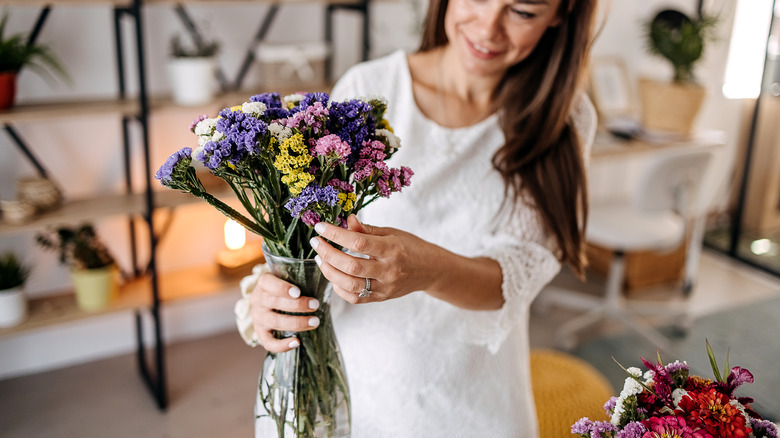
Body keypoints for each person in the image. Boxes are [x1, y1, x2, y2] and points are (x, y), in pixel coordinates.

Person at [241, 0, 598, 435]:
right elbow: (304, 235)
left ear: (561, 14)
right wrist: (270, 295)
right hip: (351, 390)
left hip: (476, 404)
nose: (488, 28)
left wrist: (427, 269)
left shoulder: (564, 119)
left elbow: (519, 274)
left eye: (522, 11)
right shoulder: (368, 88)